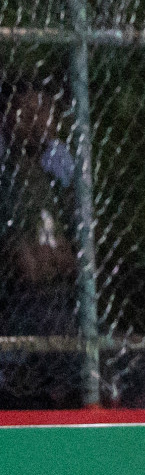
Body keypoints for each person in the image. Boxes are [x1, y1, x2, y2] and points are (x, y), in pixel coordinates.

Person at [0, 79, 77, 408]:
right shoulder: (9, 176)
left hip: (59, 302)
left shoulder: (55, 167)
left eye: (44, 112)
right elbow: (26, 267)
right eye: (27, 112)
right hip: (19, 305)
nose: (37, 122)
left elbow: (75, 258)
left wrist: (56, 258)